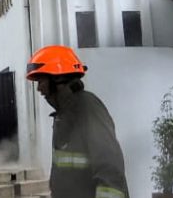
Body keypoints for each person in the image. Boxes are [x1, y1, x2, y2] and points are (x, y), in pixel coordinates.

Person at [26, 45, 129, 198]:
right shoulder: (64, 114)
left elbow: (110, 169)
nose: (39, 89)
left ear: (57, 78)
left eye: (41, 81)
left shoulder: (88, 108)